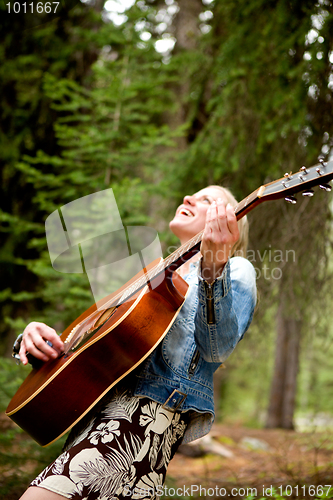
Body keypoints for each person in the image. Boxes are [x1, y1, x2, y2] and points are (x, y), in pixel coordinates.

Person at [17, 185, 257, 500]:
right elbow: (98, 345)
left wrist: (214, 269)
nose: (188, 199)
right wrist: (37, 339)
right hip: (93, 423)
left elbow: (217, 348)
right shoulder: (153, 275)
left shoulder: (237, 269)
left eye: (207, 200)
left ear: (231, 224)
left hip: (141, 423)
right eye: (192, 195)